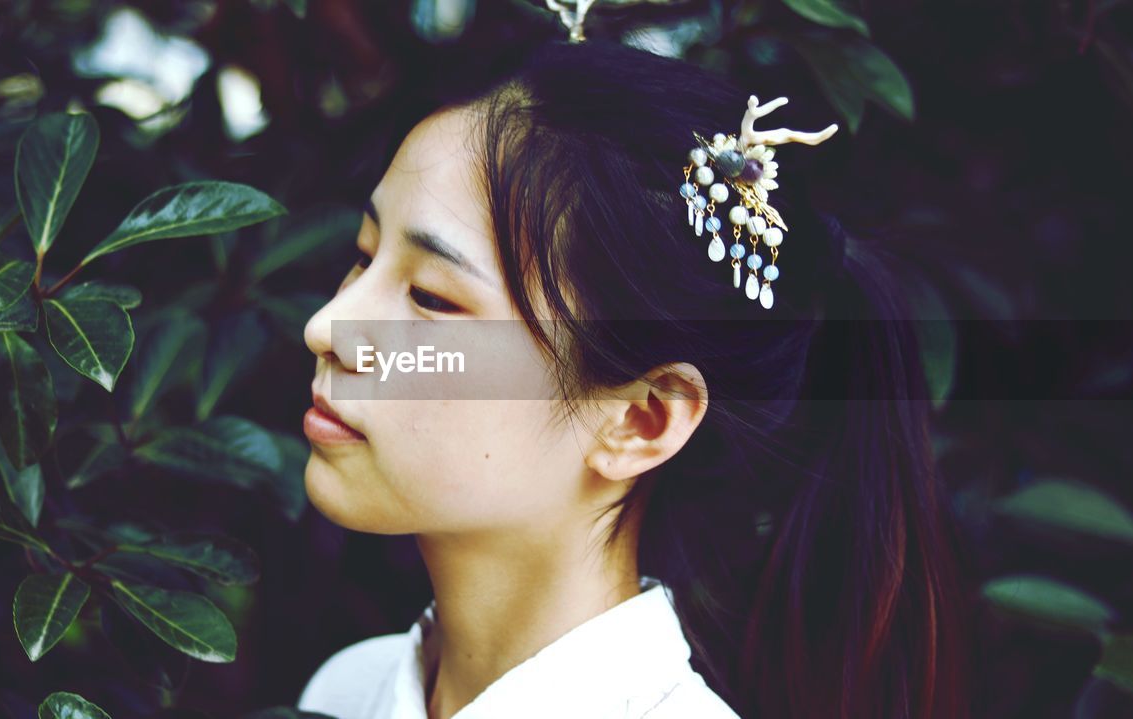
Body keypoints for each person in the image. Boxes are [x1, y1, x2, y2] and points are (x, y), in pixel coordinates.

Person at [295, 36, 970, 719]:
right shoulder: (346, 691)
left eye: (432, 298)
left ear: (641, 418)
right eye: (364, 254)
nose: (328, 327)